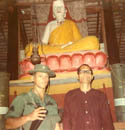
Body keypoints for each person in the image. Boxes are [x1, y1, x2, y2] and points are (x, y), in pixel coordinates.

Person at [25, 0, 99, 57]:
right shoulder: (50, 25)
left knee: (93, 41)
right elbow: (43, 44)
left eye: (61, 6)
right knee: (31, 48)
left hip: (69, 47)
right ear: (53, 14)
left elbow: (78, 41)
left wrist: (69, 44)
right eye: (55, 7)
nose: (58, 8)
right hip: (53, 49)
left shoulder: (71, 24)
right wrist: (57, 48)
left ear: (65, 12)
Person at [5, 64, 61, 130]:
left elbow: (56, 126)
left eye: (46, 76)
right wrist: (28, 117)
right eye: (40, 76)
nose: (44, 79)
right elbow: (7, 124)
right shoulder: (22, 99)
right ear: (33, 78)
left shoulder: (52, 101)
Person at [63, 64, 114, 130]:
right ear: (78, 76)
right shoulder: (70, 96)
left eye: (88, 71)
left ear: (92, 76)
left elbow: (107, 122)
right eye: (82, 72)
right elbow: (67, 121)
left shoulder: (101, 96)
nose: (85, 73)